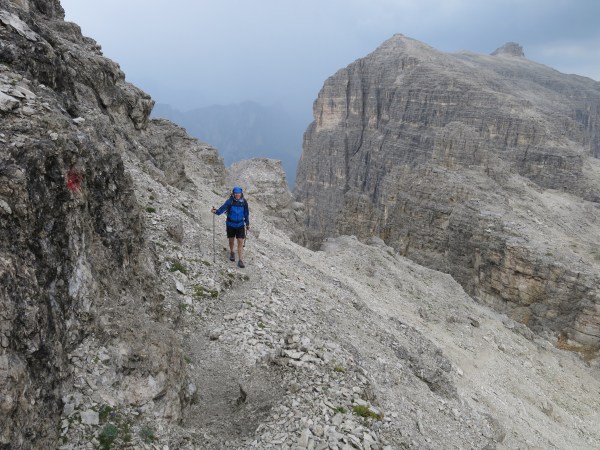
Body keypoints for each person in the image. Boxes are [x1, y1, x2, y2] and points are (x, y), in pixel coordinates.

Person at [211, 186, 250, 268]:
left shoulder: (244, 202)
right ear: (233, 194)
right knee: (231, 240)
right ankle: (232, 252)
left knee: (240, 241)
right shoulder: (230, 201)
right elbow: (222, 209)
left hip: (240, 225)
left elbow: (246, 213)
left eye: (239, 193)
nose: (237, 195)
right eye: (236, 193)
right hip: (230, 224)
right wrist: (216, 211)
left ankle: (240, 260)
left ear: (241, 193)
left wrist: (247, 223)